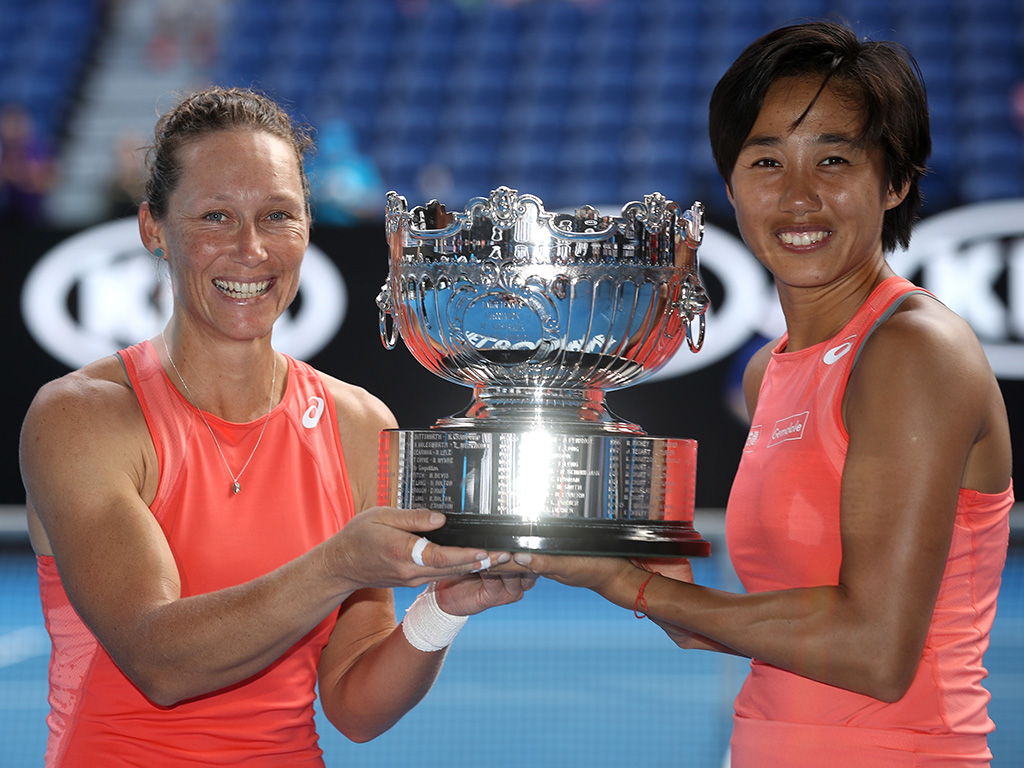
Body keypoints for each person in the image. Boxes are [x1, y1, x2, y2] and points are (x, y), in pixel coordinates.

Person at [508, 21, 1014, 767]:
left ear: (896, 182)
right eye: (766, 160)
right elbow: (711, 624)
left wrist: (630, 588)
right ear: (731, 184)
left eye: (834, 159)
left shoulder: (915, 350)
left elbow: (875, 650)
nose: (798, 196)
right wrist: (627, 547)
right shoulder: (768, 369)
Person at [19, 86, 531, 766]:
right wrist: (337, 563)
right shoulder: (81, 416)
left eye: (277, 216)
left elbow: (354, 706)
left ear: (308, 228)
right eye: (215, 216)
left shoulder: (356, 424)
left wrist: (445, 609)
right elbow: (159, 662)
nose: (251, 248)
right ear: (152, 229)